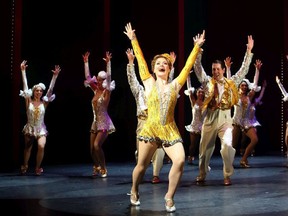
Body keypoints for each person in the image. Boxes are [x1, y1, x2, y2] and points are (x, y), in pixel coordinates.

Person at [124, 22, 205, 212]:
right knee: (141, 167)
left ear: (169, 69)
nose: (162, 65)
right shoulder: (149, 82)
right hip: (150, 127)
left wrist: (196, 47)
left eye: (165, 64)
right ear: (154, 69)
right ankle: (134, 189)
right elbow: (141, 61)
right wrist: (133, 39)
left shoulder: (175, 85)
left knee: (180, 160)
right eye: (159, 63)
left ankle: (169, 196)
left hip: (169, 129)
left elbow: (186, 67)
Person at [193, 35, 254, 186]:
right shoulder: (207, 83)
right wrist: (198, 50)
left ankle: (227, 175)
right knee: (203, 150)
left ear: (222, 69)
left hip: (226, 120)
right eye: (213, 69)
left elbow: (243, 70)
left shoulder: (231, 82)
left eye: (218, 69)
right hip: (210, 118)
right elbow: (197, 68)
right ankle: (202, 173)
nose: (215, 72)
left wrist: (249, 51)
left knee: (227, 146)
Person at [126, 48, 177, 184]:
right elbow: (132, 80)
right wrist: (131, 63)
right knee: (141, 156)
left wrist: (171, 66)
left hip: (159, 121)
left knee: (159, 151)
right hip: (143, 122)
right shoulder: (140, 90)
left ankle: (156, 174)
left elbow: (169, 86)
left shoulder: (160, 88)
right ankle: (138, 178)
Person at [19, 60, 61, 176]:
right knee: (28, 148)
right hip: (30, 127)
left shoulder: (44, 102)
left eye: (40, 91)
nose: (39, 92)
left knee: (41, 145)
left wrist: (54, 76)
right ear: (33, 91)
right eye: (37, 90)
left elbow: (50, 90)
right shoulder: (29, 101)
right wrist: (23, 71)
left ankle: (37, 167)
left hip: (40, 128)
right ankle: (25, 165)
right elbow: (25, 86)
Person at [82, 51, 116, 178]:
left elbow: (110, 76)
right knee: (91, 149)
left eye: (102, 80)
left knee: (97, 146)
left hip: (104, 122)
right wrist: (86, 62)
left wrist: (108, 63)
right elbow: (87, 77)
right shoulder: (95, 90)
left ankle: (103, 167)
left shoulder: (107, 92)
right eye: (99, 80)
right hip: (95, 122)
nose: (100, 82)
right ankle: (96, 165)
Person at [229, 59, 262, 167]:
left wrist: (257, 70)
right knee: (233, 144)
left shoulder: (249, 96)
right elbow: (229, 83)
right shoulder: (235, 95)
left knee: (255, 139)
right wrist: (228, 68)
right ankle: (228, 162)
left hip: (247, 122)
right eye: (242, 85)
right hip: (237, 121)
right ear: (239, 87)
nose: (244, 87)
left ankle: (244, 159)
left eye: (245, 86)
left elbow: (255, 84)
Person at [184, 72, 205, 165]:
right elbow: (189, 90)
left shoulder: (206, 103)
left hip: (204, 126)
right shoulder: (193, 101)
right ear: (197, 93)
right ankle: (190, 156)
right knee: (193, 145)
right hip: (194, 126)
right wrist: (188, 76)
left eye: (202, 92)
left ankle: (203, 158)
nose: (200, 93)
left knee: (203, 145)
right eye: (199, 92)